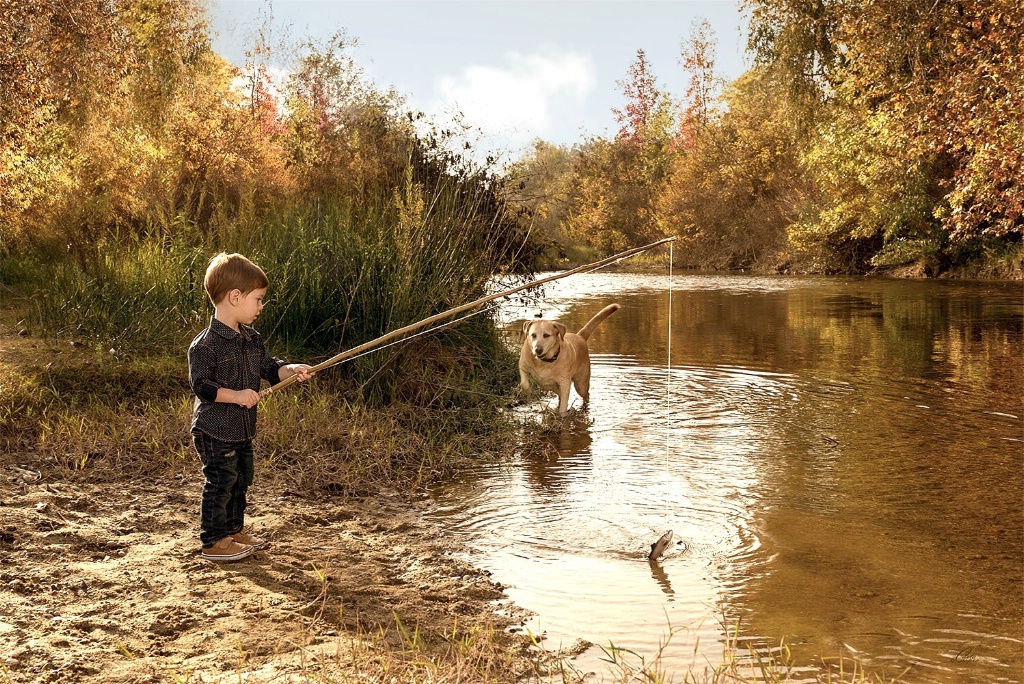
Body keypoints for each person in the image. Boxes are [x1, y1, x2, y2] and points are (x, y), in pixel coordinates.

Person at [187, 253, 314, 562]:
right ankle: (214, 541)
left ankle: (233, 530)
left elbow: (270, 369)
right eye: (258, 300)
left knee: (242, 479)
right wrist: (237, 395)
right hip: (213, 430)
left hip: (241, 429)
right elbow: (202, 387)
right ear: (235, 296)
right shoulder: (204, 345)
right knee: (221, 481)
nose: (260, 307)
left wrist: (291, 369)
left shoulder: (252, 339)